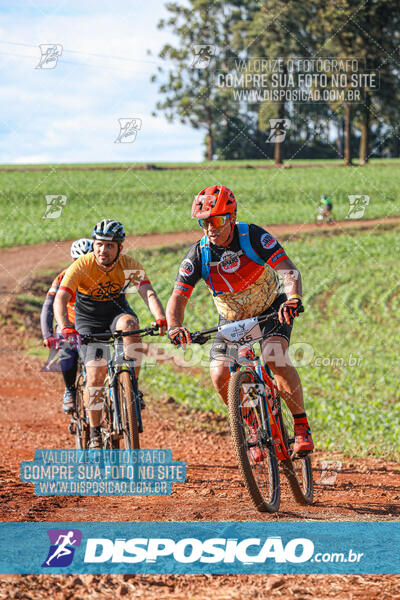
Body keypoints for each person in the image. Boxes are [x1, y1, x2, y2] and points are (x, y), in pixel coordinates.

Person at [166, 185, 314, 460]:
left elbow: (288, 270)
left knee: (274, 355)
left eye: (218, 219)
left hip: (271, 308)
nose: (211, 227)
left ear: (232, 217)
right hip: (233, 318)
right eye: (204, 221)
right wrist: (175, 325)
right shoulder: (198, 254)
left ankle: (301, 426)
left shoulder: (253, 236)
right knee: (219, 374)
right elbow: (178, 297)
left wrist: (293, 297)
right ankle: (255, 429)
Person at [54, 219, 167, 449]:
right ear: (93, 245)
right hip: (89, 321)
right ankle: (95, 433)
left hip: (117, 314)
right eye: (98, 244)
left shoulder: (128, 264)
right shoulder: (82, 266)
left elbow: (148, 293)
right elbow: (61, 298)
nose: (102, 250)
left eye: (109, 246)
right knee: (95, 375)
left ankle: (132, 387)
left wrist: (160, 317)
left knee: (131, 325)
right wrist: (65, 326)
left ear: (120, 248)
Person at [40, 238, 93, 414]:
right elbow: (49, 307)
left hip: (94, 325)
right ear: (73, 261)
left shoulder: (103, 275)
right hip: (69, 325)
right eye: (80, 261)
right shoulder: (63, 277)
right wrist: (48, 334)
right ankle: (70, 390)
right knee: (67, 350)